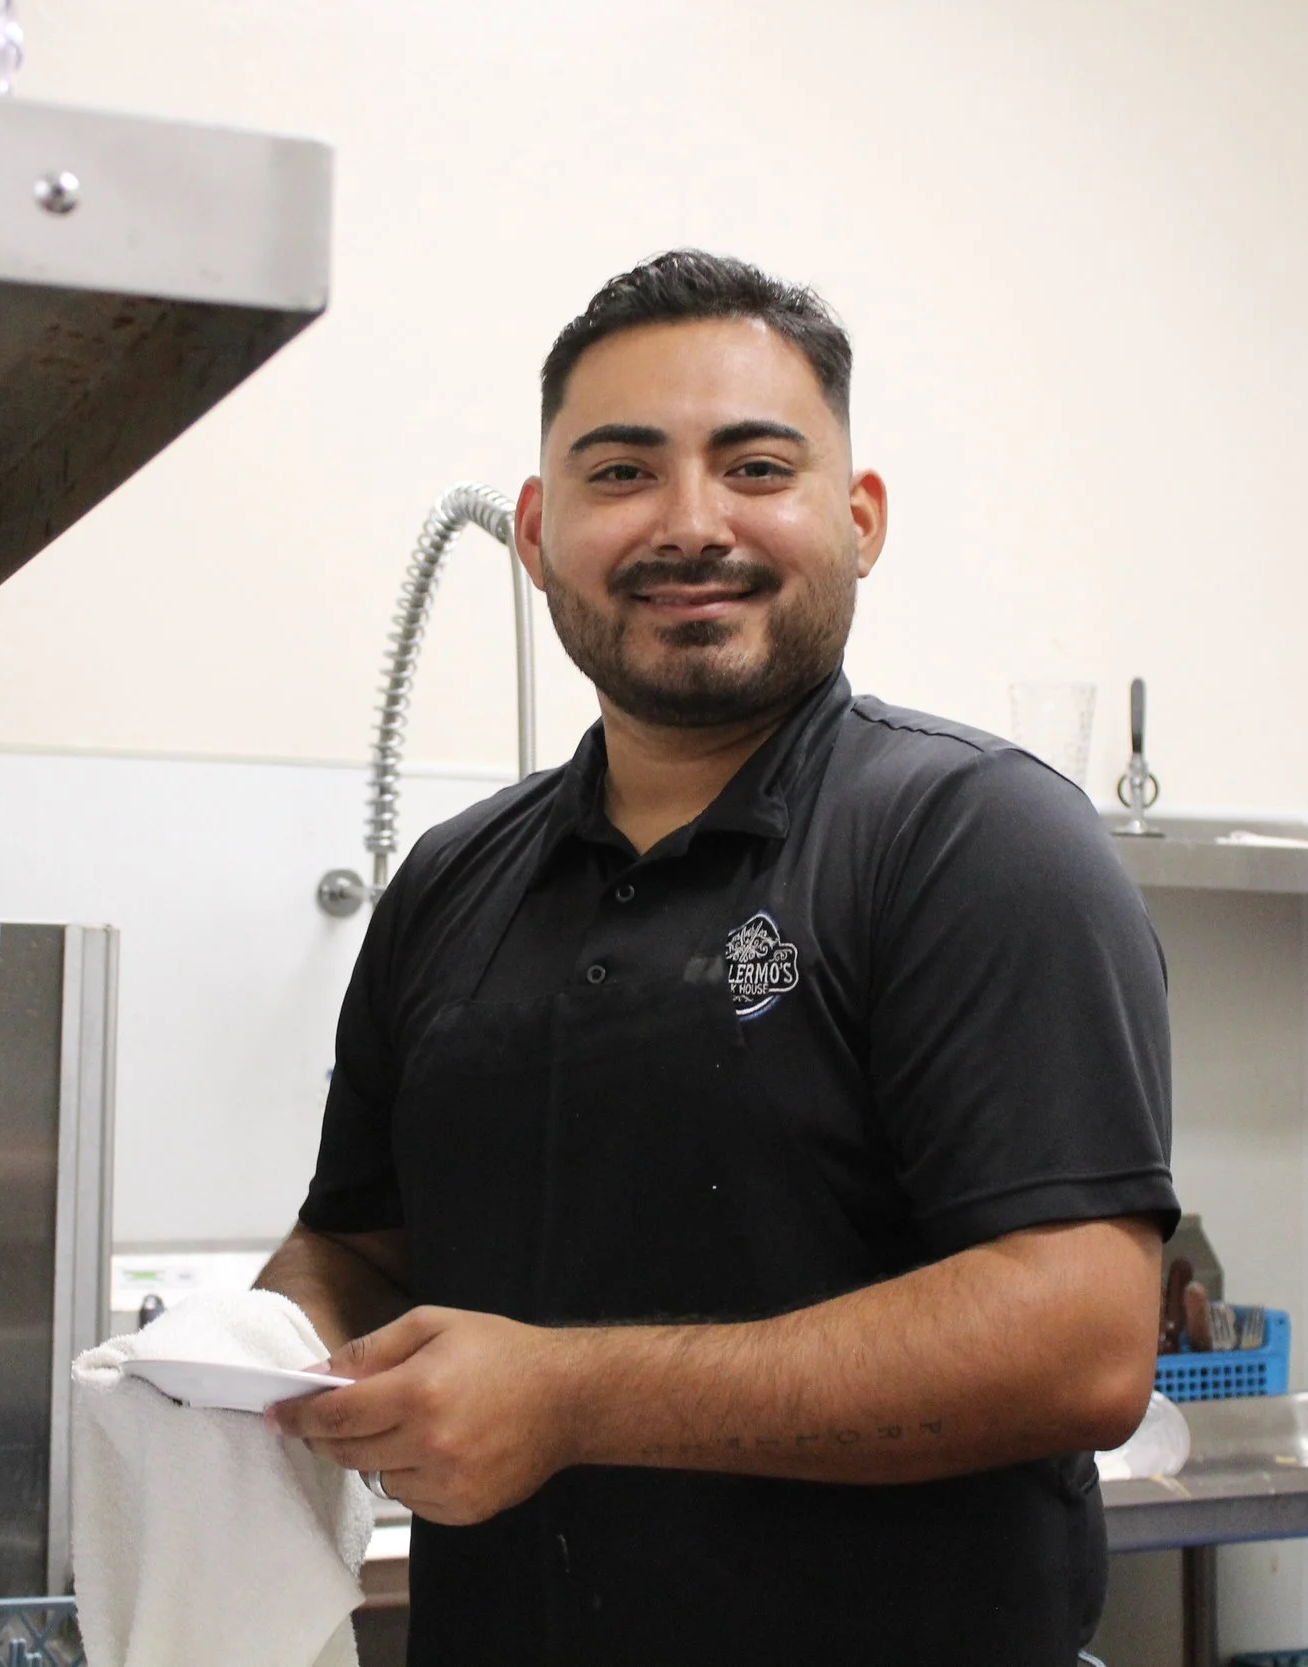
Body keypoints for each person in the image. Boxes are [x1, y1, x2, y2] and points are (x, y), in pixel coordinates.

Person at [261, 249, 1178, 1667]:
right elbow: (358, 1244)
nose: (692, 524)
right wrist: (249, 1351)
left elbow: (1082, 1338)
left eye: (756, 467)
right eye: (622, 473)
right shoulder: (456, 882)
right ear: (536, 527)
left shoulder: (972, 840)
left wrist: (570, 1397)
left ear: (860, 518)